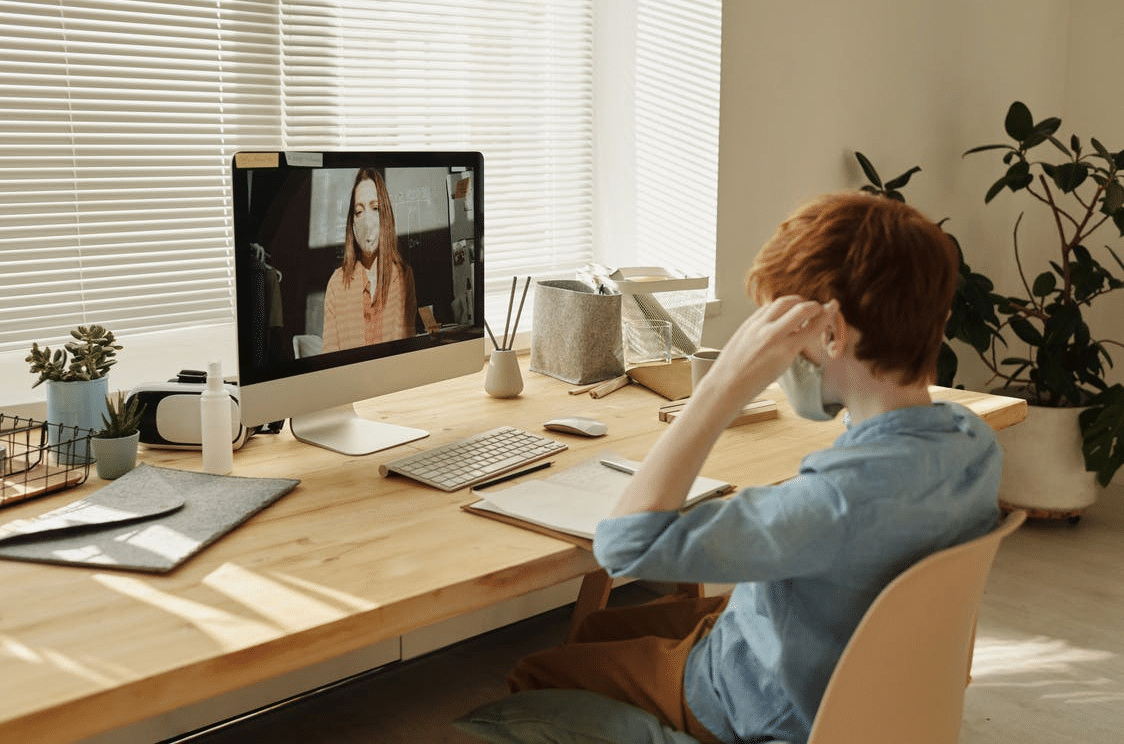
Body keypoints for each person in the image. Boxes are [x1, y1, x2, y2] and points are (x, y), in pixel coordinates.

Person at [507, 192, 1003, 744]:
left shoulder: (834, 503)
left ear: (832, 332)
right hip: (850, 684)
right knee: (599, 629)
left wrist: (722, 387)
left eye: (782, 326)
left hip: (754, 703)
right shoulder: (974, 443)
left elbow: (624, 544)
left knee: (539, 670)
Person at [322, 168, 417, 351]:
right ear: (352, 222)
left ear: (386, 216)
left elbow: (404, 352)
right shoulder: (336, 284)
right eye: (359, 211)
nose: (367, 220)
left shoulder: (403, 277)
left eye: (375, 208)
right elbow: (330, 358)